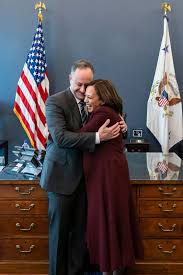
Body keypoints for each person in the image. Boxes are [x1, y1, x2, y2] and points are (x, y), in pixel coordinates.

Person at [40, 59, 128, 275]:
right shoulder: (55, 102)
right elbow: (60, 138)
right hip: (61, 178)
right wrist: (98, 137)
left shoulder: (93, 100)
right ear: (70, 79)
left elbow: (108, 117)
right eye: (78, 84)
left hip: (87, 179)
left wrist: (122, 125)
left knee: (80, 237)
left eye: (86, 85)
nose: (82, 90)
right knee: (60, 236)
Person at [80, 79, 143, 275]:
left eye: (90, 97)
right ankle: (115, 266)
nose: (86, 100)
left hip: (106, 176)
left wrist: (54, 133)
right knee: (113, 217)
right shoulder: (109, 112)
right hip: (108, 174)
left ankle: (110, 267)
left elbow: (80, 136)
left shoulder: (102, 113)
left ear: (102, 99)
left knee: (106, 218)